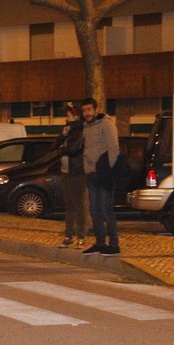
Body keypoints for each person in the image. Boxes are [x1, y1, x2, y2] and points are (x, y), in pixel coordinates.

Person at [80, 97, 121, 256]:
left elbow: (114, 147)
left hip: (104, 174)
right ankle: (100, 243)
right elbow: (86, 150)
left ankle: (114, 245)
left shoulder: (106, 124)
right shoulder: (86, 127)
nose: (86, 113)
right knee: (94, 210)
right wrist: (86, 169)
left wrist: (108, 170)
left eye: (89, 110)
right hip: (91, 174)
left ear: (95, 110)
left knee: (106, 210)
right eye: (84, 111)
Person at [54, 102, 87, 249]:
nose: (66, 119)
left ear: (76, 116)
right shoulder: (67, 131)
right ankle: (68, 236)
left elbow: (74, 149)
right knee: (69, 205)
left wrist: (62, 150)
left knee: (79, 205)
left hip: (77, 172)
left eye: (68, 116)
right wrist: (62, 136)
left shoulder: (81, 131)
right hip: (66, 172)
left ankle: (81, 236)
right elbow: (54, 146)